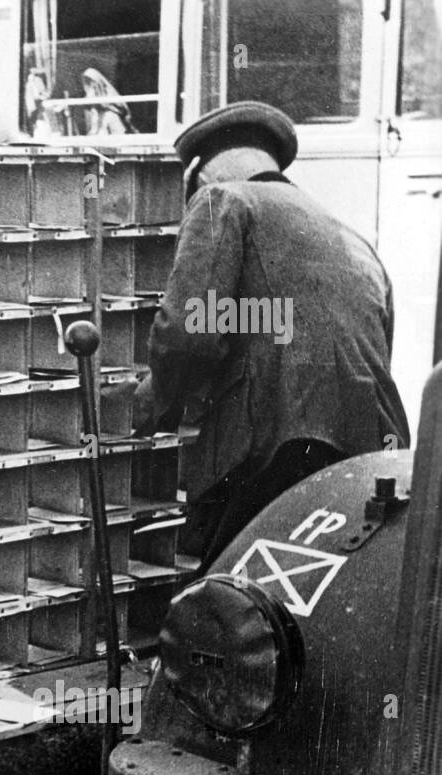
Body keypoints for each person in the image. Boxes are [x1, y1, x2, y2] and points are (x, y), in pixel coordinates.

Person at [133, 101, 410, 568]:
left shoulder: (223, 200)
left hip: (272, 452)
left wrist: (144, 408)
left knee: (224, 598)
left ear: (199, 174)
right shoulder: (354, 239)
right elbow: (280, 324)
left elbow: (190, 336)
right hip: (373, 457)